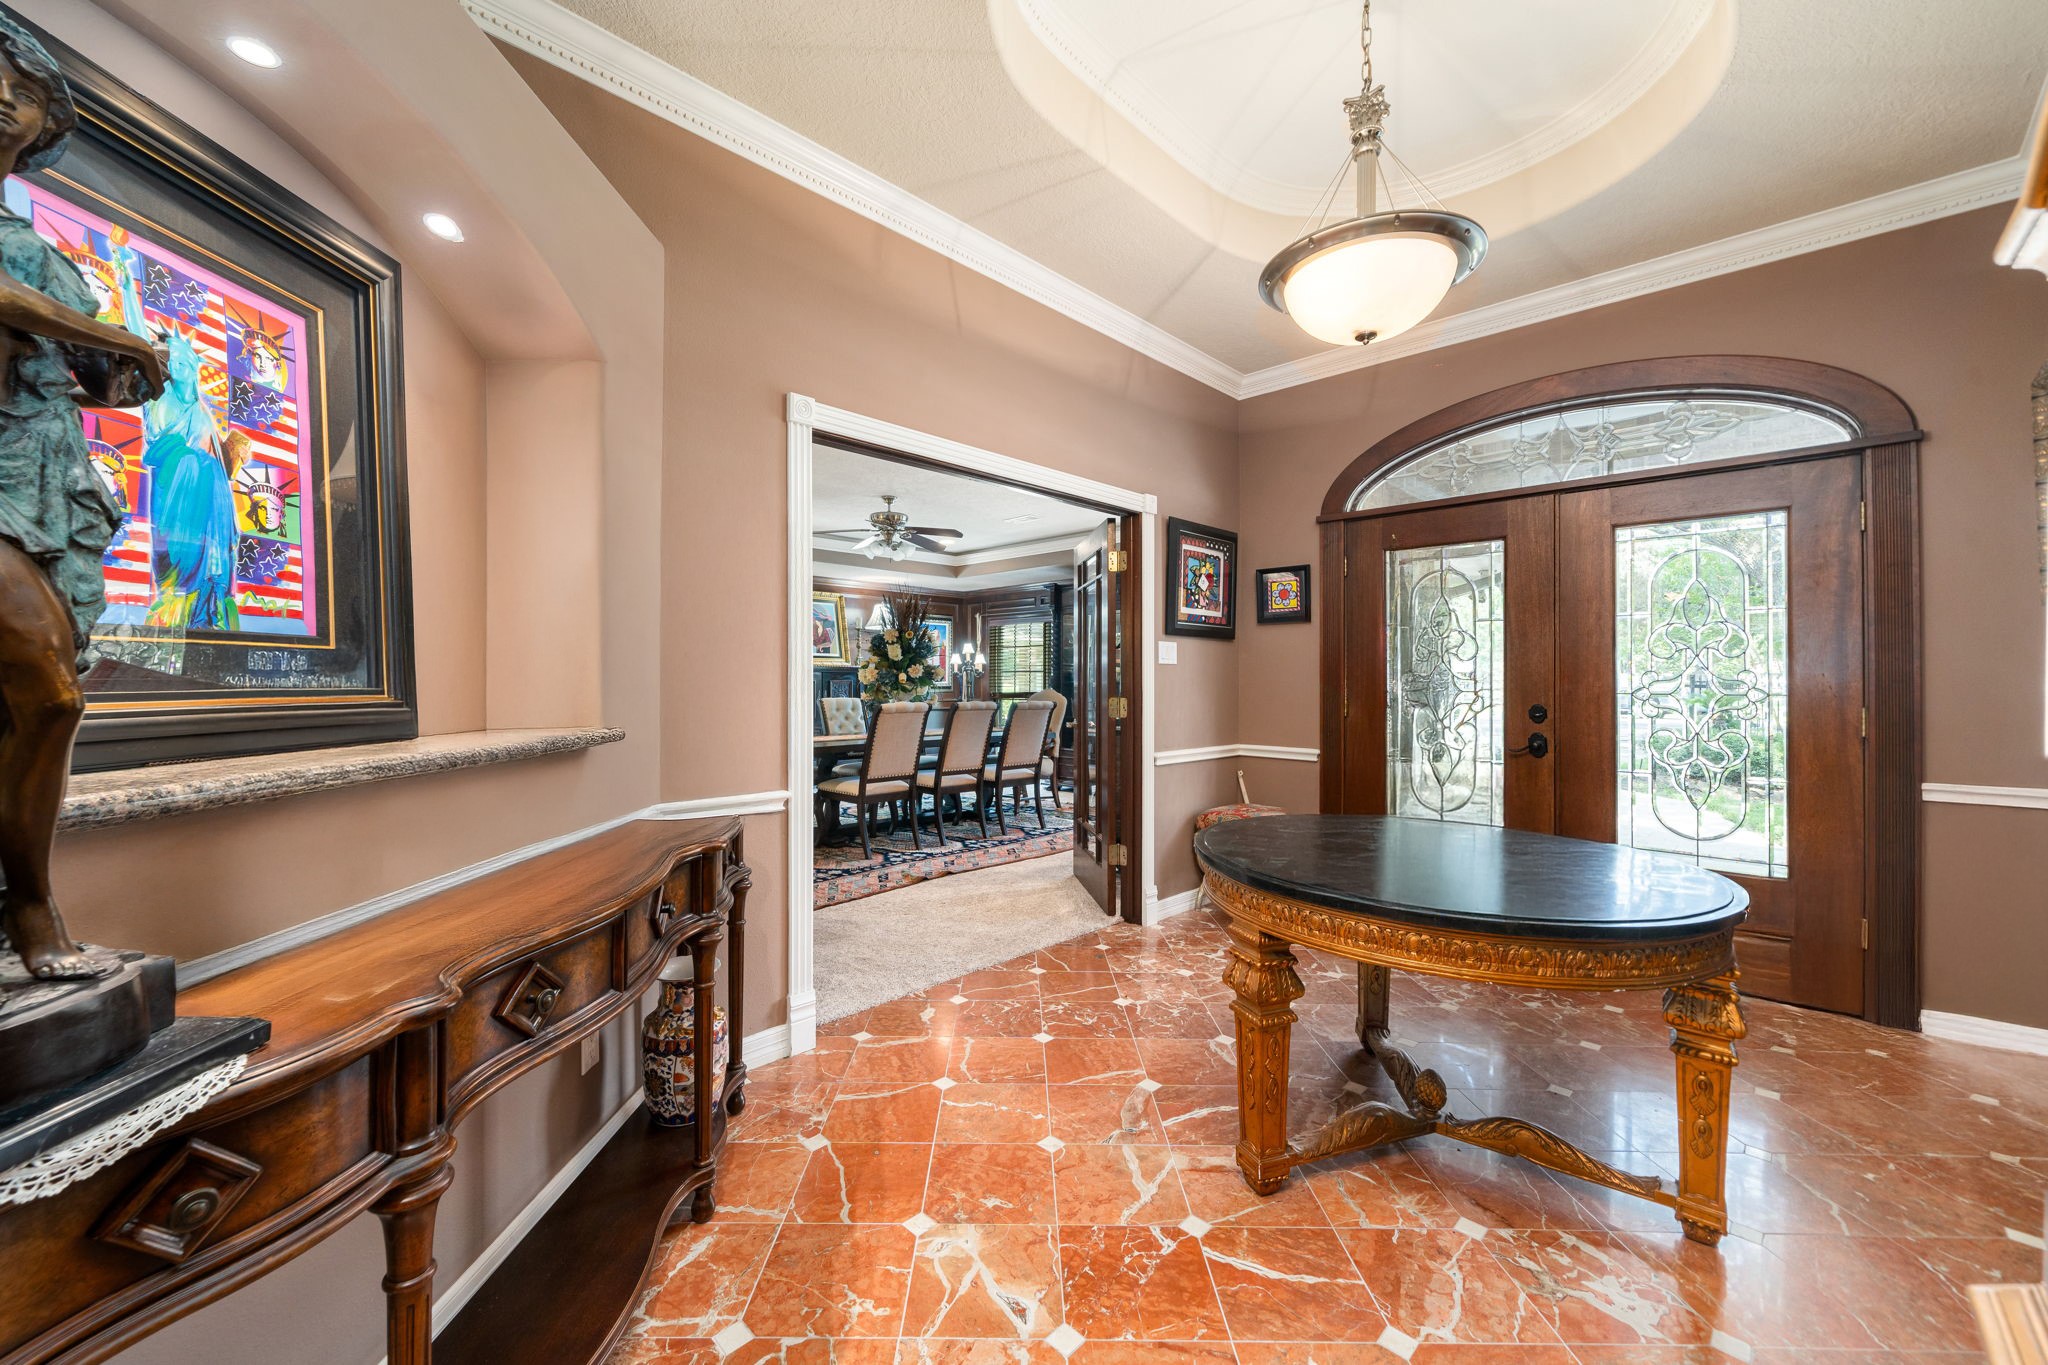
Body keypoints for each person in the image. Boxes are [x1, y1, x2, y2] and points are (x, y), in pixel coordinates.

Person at [0, 19, 167, 978]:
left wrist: (124, 367)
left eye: (23, 90)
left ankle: (19, 912)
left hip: (41, 471)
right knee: (49, 698)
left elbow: (104, 380)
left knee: (31, 703)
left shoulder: (35, 244)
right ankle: (33, 911)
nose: (4, 100)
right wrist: (116, 335)